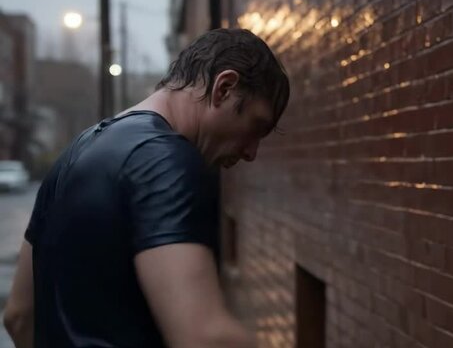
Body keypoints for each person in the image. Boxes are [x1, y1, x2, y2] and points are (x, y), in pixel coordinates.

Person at [2, 28, 290, 348]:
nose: (251, 152)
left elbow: (18, 315)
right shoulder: (164, 160)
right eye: (256, 126)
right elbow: (203, 338)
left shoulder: (76, 151)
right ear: (224, 88)